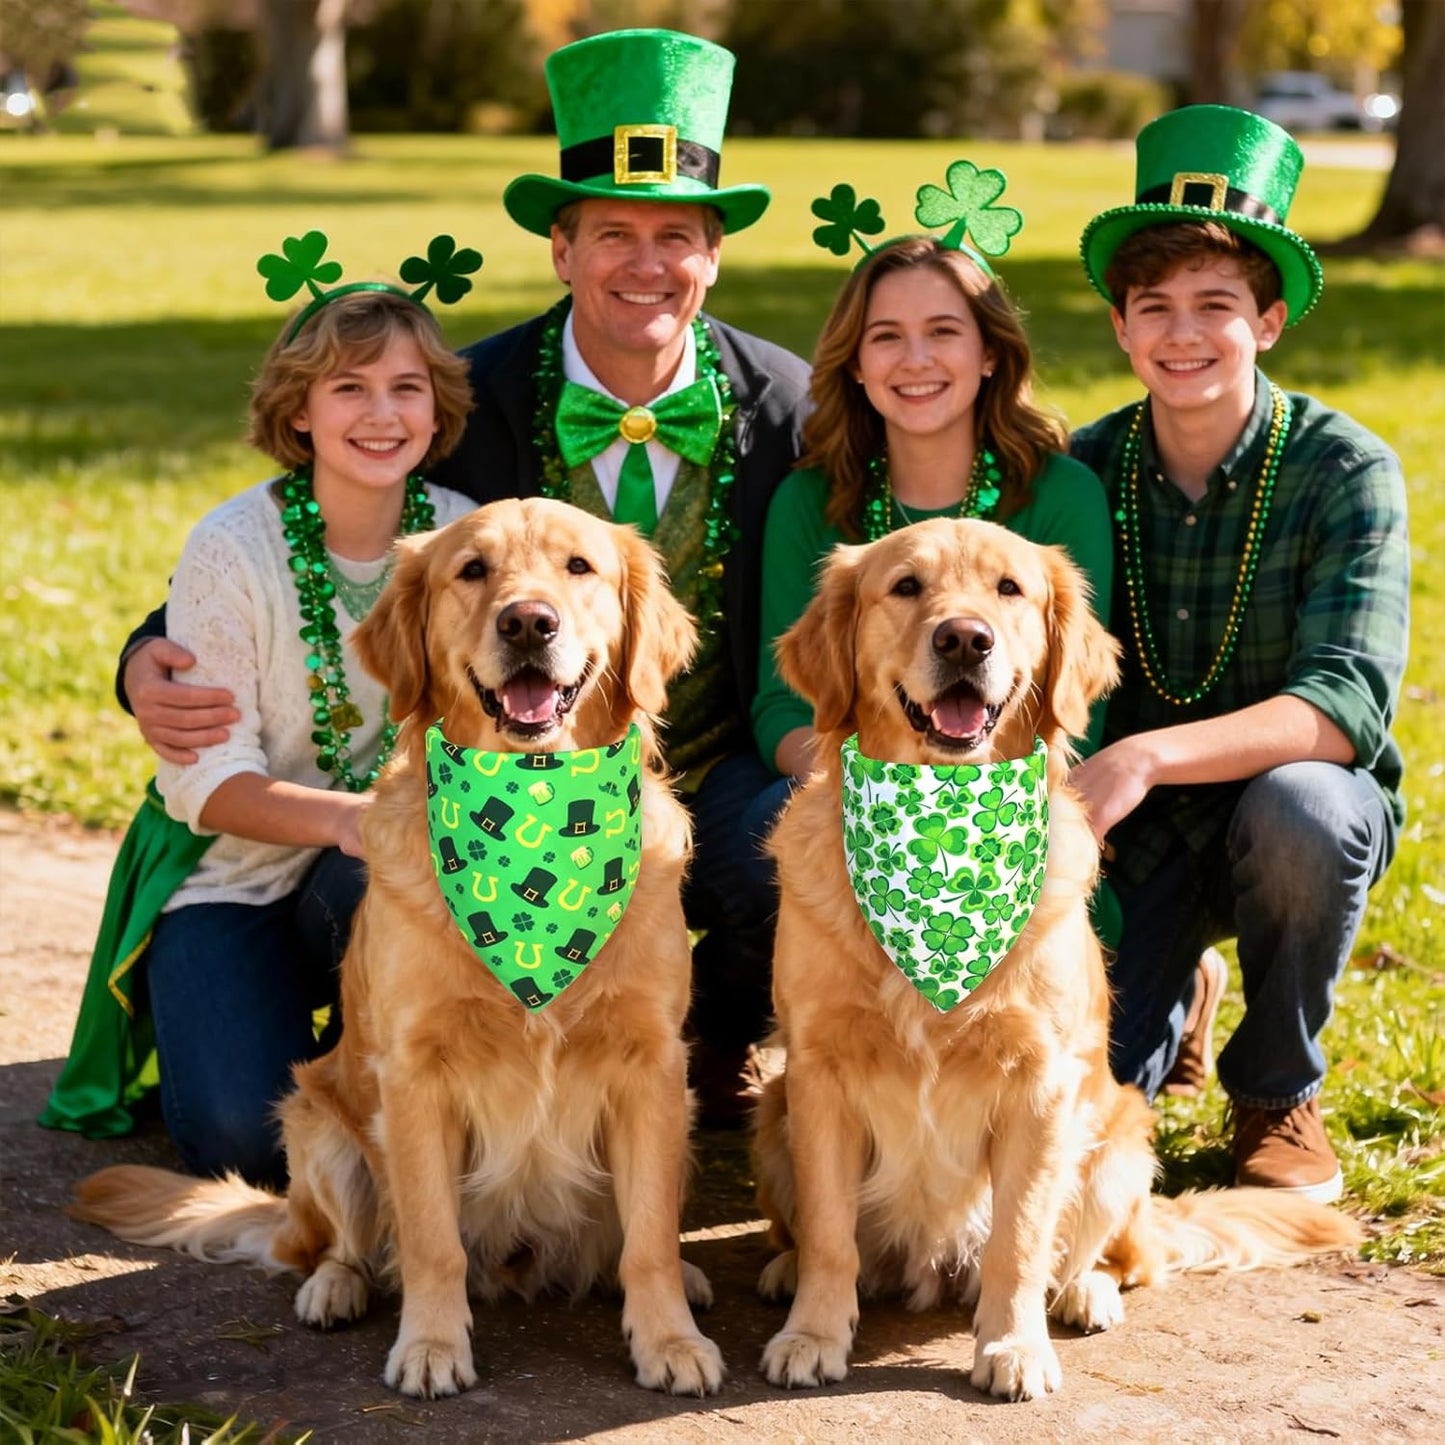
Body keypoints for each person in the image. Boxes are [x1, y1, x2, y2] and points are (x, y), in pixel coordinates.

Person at [110, 30, 811, 1126]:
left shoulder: (795, 406)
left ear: (712, 255)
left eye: (675, 234)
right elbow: (317, 541)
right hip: (492, 783)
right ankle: (401, 1055)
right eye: (612, 233)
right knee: (242, 1123)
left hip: (704, 767)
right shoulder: (463, 402)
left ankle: (709, 1034)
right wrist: (140, 657)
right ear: (561, 250)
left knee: (787, 834)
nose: (644, 264)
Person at [43, 237, 479, 1185]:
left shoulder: (468, 536)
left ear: (437, 406)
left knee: (389, 878)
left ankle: (396, 1071)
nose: (381, 414)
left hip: (378, 873)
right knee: (249, 1141)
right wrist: (359, 819)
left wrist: (377, 833)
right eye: (349, 388)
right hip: (233, 871)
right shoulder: (232, 546)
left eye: (406, 388)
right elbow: (207, 784)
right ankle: (258, 1026)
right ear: (298, 409)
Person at [1068, 105, 1409, 1203]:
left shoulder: (1344, 469)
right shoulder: (1082, 470)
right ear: (1119, 327)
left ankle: (1273, 1090)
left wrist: (1143, 755)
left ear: (1267, 320)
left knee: (1304, 809)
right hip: (1130, 836)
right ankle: (1175, 1000)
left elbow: (1342, 706)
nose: (1183, 333)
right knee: (1081, 1106)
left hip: (1285, 805)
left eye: (1214, 304)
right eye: (1153, 307)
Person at [753, 168, 1115, 820]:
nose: (915, 359)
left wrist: (966, 811)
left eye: (944, 331)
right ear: (855, 363)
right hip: (857, 796)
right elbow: (784, 707)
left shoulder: (1063, 494)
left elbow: (1072, 707)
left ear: (989, 353)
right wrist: (886, 800)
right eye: (886, 336)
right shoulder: (807, 499)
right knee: (772, 815)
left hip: (1018, 810)